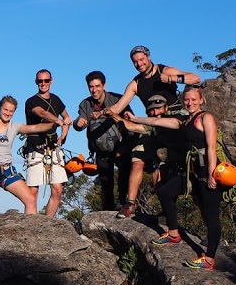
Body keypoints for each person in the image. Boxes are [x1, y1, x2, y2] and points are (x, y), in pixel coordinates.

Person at [122, 86, 222, 271]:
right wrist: (135, 118)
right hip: (190, 173)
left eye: (193, 99)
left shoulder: (205, 118)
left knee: (210, 213)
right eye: (187, 99)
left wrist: (210, 174)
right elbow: (157, 122)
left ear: (201, 100)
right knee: (165, 192)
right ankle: (174, 233)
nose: (190, 102)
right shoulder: (183, 120)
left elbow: (211, 147)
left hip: (205, 172)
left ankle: (209, 258)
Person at [105, 45, 202, 219]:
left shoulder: (164, 70)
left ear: (149, 57)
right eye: (135, 62)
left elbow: (195, 78)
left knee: (187, 172)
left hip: (176, 124)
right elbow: (118, 106)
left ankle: (180, 212)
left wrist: (172, 78)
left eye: (141, 60)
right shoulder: (135, 83)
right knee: (139, 154)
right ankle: (130, 204)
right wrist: (104, 112)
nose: (139, 64)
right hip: (154, 125)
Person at [0, 95, 60, 215]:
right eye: (5, 109)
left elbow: (35, 128)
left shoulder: (14, 127)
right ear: (0, 108)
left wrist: (55, 123)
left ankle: (30, 232)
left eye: (11, 111)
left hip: (7, 170)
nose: (7, 113)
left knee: (30, 199)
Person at [73, 71, 135, 211]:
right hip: (100, 149)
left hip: (120, 146)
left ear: (104, 86)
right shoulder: (86, 104)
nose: (94, 90)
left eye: (97, 86)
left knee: (124, 175)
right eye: (91, 87)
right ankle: (108, 210)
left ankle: (124, 203)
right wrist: (78, 123)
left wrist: (126, 146)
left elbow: (130, 123)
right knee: (105, 180)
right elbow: (78, 124)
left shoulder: (117, 99)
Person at [23, 70, 72, 217]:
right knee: (33, 192)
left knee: (58, 189)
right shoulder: (31, 101)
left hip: (53, 148)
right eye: (40, 81)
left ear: (51, 81)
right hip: (35, 149)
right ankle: (31, 225)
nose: (43, 83)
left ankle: (48, 223)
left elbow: (67, 117)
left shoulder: (56, 99)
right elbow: (42, 113)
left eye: (46, 80)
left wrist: (64, 133)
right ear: (36, 82)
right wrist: (57, 120)